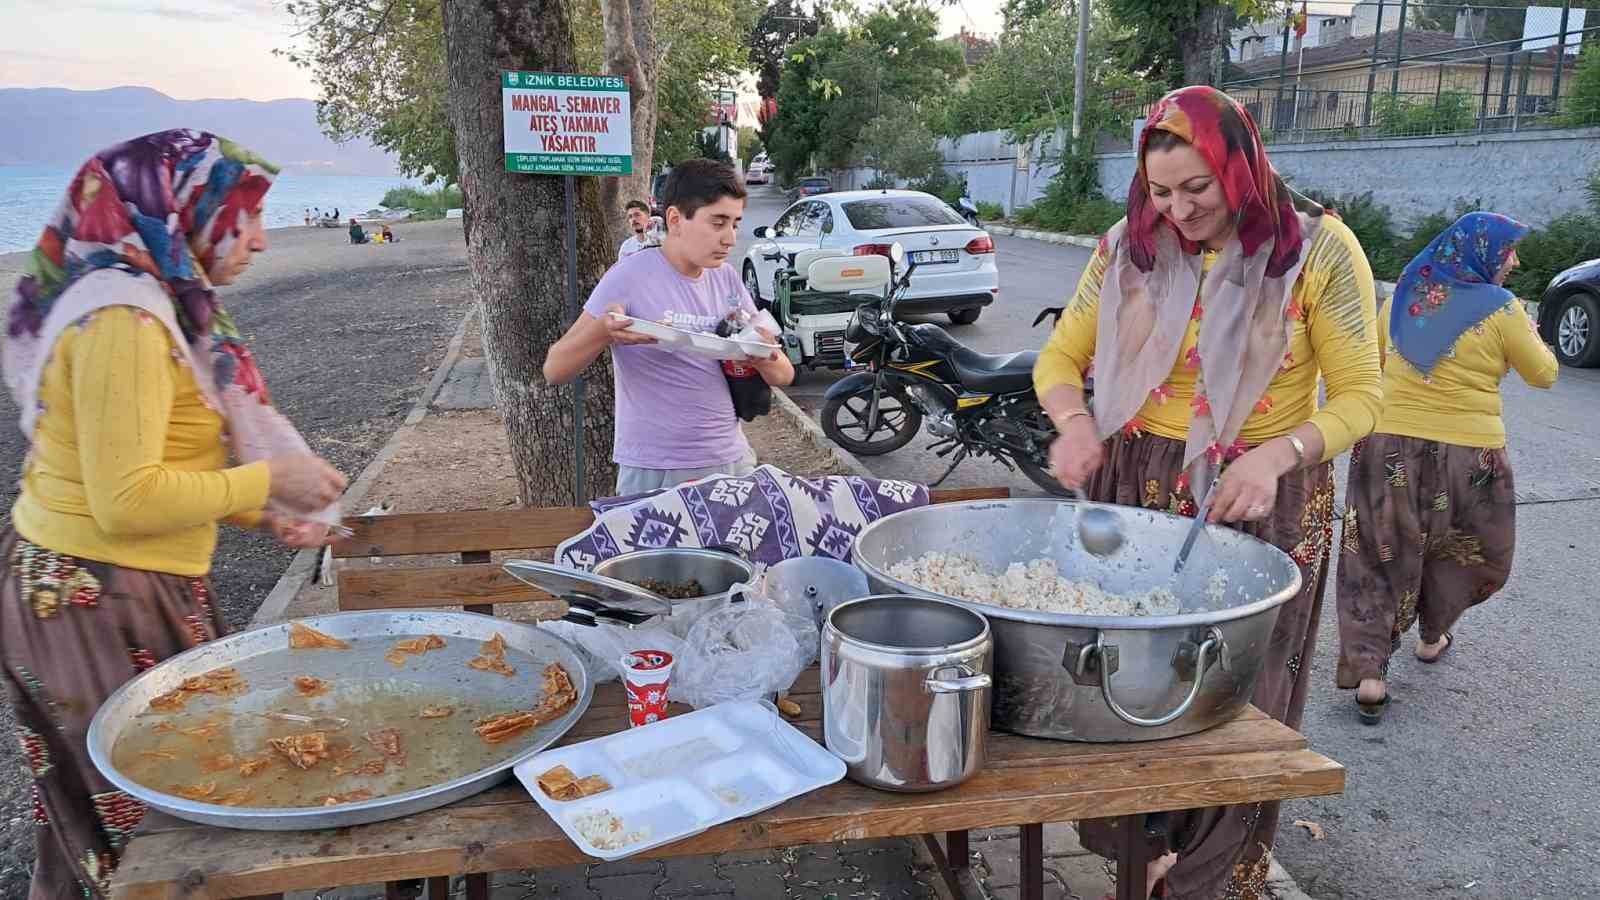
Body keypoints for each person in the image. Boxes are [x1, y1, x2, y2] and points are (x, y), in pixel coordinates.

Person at [1033, 86, 1382, 899]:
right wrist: (1075, 422)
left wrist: (1271, 459)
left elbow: (1364, 396)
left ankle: (1208, 878)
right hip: (1136, 486)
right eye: (1161, 191)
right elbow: (1058, 359)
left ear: (1242, 167)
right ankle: (1141, 848)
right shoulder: (1130, 248)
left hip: (1264, 492)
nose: (1180, 209)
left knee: (1236, 700)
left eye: (1199, 187)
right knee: (1121, 683)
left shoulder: (1319, 251)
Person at [0, 129, 347, 898]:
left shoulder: (155, 299)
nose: (258, 239)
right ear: (181, 208)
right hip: (92, 595)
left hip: (122, 576)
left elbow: (153, 472)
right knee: (158, 825)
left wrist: (265, 514)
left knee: (111, 812)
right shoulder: (124, 320)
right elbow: (125, 500)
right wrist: (262, 482)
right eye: (243, 215)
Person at [1335, 212, 1557, 724]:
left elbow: (1372, 356)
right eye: (1507, 251)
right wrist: (1535, 336)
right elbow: (1544, 375)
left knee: (1372, 552)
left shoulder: (1404, 296)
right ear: (1480, 253)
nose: (1515, 261)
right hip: (1470, 458)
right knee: (1458, 548)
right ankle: (1431, 635)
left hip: (1385, 444)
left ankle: (1370, 676)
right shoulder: (1503, 310)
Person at [544, 158, 795, 496]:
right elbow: (554, 369)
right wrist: (604, 330)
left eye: (735, 224)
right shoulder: (628, 276)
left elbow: (783, 375)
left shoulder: (726, 278)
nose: (730, 238)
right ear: (675, 219)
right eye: (718, 223)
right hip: (653, 468)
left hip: (730, 459)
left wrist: (762, 353)